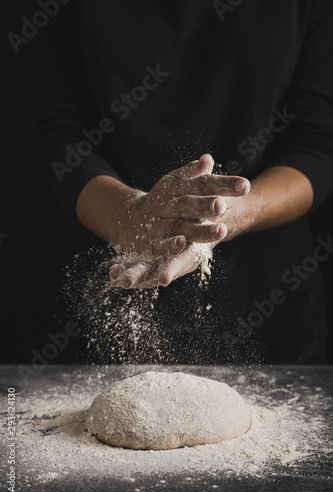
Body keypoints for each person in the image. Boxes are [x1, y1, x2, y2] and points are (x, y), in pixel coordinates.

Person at [25, 0, 333, 364]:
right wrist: (127, 216)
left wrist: (234, 213)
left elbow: (317, 142)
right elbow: (60, 133)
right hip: (108, 282)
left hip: (269, 301)